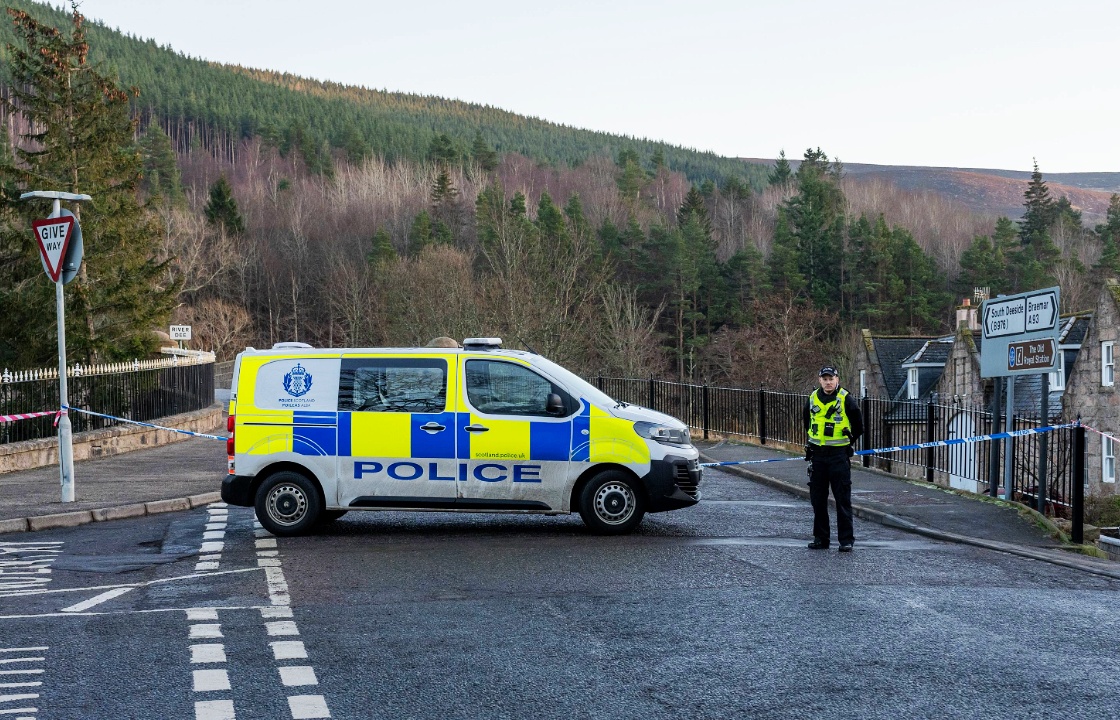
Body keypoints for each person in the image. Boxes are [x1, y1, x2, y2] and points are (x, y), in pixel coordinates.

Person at [803, 365, 863, 552]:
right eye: (825, 379)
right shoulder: (812, 398)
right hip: (818, 456)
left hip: (838, 456)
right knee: (818, 500)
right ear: (820, 380)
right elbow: (807, 422)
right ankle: (821, 538)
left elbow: (859, 426)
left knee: (842, 499)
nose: (828, 382)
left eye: (831, 379)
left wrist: (848, 442)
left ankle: (846, 540)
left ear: (837, 379)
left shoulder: (846, 399)